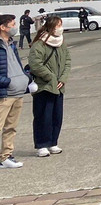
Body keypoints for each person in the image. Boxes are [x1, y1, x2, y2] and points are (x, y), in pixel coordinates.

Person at [27, 15, 69, 158]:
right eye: (58, 25)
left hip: (59, 86)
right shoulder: (39, 44)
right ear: (51, 27)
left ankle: (53, 142)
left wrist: (62, 78)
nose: (60, 28)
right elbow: (35, 64)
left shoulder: (61, 43)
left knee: (57, 116)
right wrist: (51, 77)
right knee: (42, 116)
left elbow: (67, 61)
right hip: (43, 86)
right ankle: (41, 144)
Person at [0, 14, 34, 169]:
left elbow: (17, 65)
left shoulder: (11, 44)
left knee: (11, 127)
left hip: (18, 92)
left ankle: (6, 156)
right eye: (12, 24)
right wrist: (8, 82)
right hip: (5, 94)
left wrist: (26, 79)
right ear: (3, 27)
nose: (15, 27)